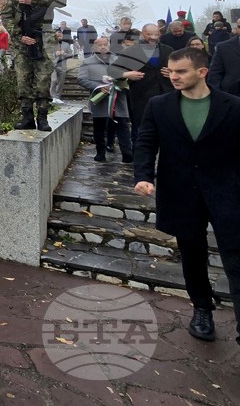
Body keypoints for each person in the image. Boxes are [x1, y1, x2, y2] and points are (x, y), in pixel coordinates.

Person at [134, 47, 240, 346]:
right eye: (171, 70)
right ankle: (203, 310)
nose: (173, 76)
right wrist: (143, 175)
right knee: (192, 257)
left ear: (202, 72)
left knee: (236, 259)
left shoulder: (233, 106)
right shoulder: (159, 105)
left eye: (181, 71)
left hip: (228, 194)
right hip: (181, 191)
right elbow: (145, 143)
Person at [0, 0, 68, 131]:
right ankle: (27, 117)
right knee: (23, 81)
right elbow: (6, 17)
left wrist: (34, 0)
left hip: (44, 41)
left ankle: (42, 118)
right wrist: (19, 35)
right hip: (22, 43)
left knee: (43, 80)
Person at [109, 23, 173, 152]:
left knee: (168, 134)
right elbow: (112, 70)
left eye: (157, 34)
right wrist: (127, 74)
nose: (154, 37)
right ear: (142, 34)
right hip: (142, 98)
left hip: (167, 97)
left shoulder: (169, 50)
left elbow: (182, 69)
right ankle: (142, 164)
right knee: (143, 135)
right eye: (150, 34)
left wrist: (173, 73)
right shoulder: (131, 51)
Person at [77, 37, 133, 163]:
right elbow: (81, 79)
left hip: (118, 99)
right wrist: (98, 87)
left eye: (105, 44)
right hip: (100, 100)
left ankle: (127, 153)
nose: (103, 47)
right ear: (94, 48)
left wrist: (123, 82)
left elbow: (128, 74)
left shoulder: (119, 60)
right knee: (99, 128)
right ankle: (100, 152)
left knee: (123, 126)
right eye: (99, 45)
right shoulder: (88, 62)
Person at [208, 22, 240, 96]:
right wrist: (217, 95)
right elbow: (214, 73)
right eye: (239, 27)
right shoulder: (223, 47)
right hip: (231, 96)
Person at [50, 28, 73, 105]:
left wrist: (64, 54)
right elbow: (47, 54)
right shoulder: (50, 44)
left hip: (62, 65)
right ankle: (52, 96)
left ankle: (57, 97)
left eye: (60, 36)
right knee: (54, 81)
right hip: (53, 65)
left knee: (61, 82)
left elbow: (71, 54)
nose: (59, 37)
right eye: (57, 36)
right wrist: (54, 54)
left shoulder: (66, 45)